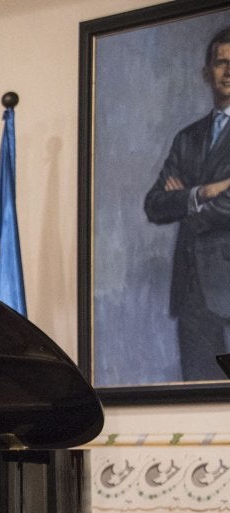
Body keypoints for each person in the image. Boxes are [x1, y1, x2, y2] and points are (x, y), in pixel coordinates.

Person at [143, 26, 230, 382]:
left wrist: (183, 201)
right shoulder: (187, 138)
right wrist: (203, 193)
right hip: (192, 293)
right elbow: (154, 204)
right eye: (221, 63)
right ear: (206, 72)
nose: (228, 71)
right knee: (198, 390)